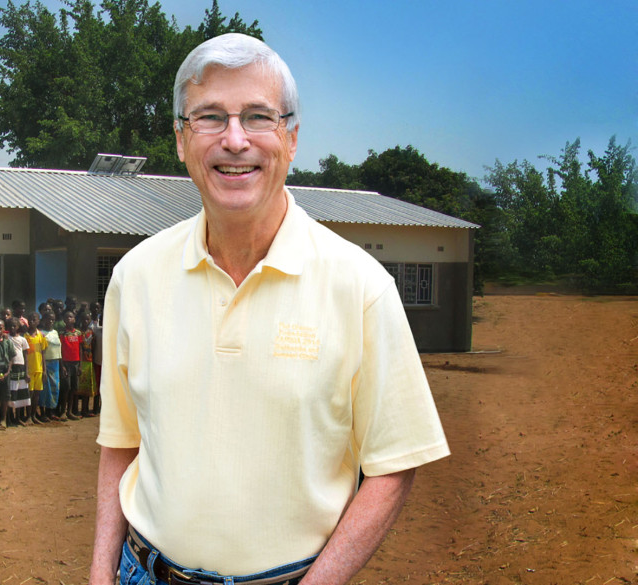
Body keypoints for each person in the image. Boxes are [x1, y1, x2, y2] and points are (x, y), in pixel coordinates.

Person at [89, 34, 450, 585]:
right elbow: (121, 442)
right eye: (209, 117)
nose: (235, 140)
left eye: (258, 117)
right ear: (181, 140)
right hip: (144, 572)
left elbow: (394, 466)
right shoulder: (135, 277)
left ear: (292, 137)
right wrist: (100, 573)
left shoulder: (360, 287)